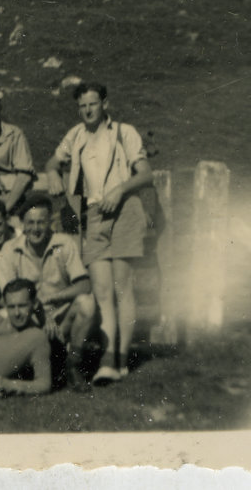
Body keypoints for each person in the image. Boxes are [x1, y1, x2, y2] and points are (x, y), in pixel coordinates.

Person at [45, 82, 154, 383]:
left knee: (122, 287)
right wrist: (53, 172)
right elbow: (53, 160)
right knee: (102, 291)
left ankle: (120, 360)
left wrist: (120, 189)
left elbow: (145, 173)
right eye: (82, 106)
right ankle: (108, 360)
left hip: (124, 209)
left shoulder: (123, 132)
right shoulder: (76, 135)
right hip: (93, 215)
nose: (87, 110)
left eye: (92, 104)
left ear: (105, 103)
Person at [0, 194, 97, 388]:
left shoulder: (64, 243)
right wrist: (39, 311)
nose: (35, 229)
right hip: (30, 318)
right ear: (22, 224)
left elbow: (84, 285)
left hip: (61, 318)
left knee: (87, 302)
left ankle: (73, 364)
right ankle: (20, 367)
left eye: (41, 222)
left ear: (50, 222)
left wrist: (50, 298)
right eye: (30, 223)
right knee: (3, 315)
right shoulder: (9, 250)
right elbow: (7, 297)